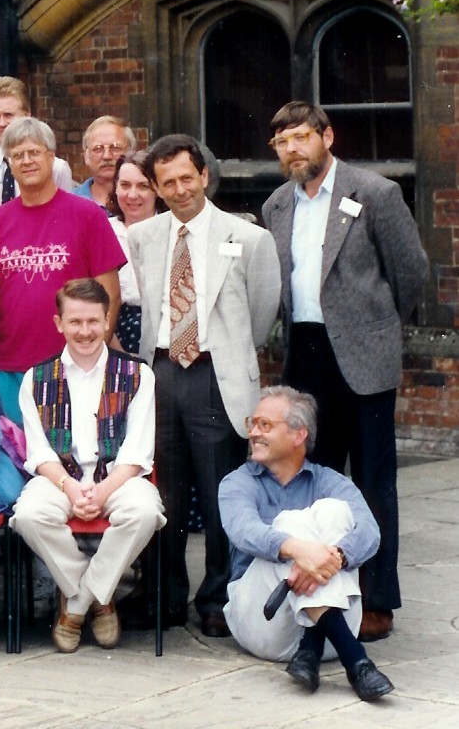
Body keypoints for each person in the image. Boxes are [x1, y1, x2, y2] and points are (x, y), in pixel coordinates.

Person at [260, 101, 427, 643]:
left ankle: (377, 599)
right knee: (313, 478)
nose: (292, 150)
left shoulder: (375, 193)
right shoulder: (277, 204)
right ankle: (326, 594)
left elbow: (410, 273)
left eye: (302, 137)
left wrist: (376, 326)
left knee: (373, 482)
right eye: (282, 142)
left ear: (327, 137)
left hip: (363, 354)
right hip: (305, 352)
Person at [126, 133, 279, 637]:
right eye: (167, 182)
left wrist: (227, 354)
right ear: (156, 187)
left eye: (187, 178)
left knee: (219, 493)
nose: (180, 189)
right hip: (162, 371)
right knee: (163, 492)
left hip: (216, 374)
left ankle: (217, 597)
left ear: (204, 176)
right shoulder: (143, 237)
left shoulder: (247, 237)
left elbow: (262, 314)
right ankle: (165, 597)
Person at [11, 279, 164, 653]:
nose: (85, 331)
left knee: (145, 512)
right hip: (60, 478)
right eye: (75, 322)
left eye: (93, 321)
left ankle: (77, 603)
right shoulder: (36, 378)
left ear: (107, 320)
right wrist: (71, 488)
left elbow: (137, 452)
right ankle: (102, 599)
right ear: (59, 323)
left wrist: (102, 491)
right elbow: (40, 454)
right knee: (28, 516)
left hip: (119, 478)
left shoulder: (138, 374)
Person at [219, 387, 394, 701]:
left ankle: (310, 649)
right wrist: (300, 550)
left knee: (335, 511)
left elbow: (370, 532)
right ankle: (356, 660)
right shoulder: (237, 482)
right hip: (265, 622)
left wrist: (336, 556)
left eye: (265, 425)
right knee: (290, 523)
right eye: (253, 423)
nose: (254, 433)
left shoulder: (331, 482)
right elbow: (244, 530)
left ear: (299, 434)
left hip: (329, 641)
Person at [0, 117, 124, 420]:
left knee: (69, 445)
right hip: (6, 366)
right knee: (14, 446)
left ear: (52, 157)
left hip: (73, 363)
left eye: (34, 152)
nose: (27, 161)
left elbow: (111, 294)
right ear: (9, 164)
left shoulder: (88, 215)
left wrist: (92, 354)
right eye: (18, 155)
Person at [0, 77, 75, 214]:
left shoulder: (55, 167)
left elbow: (65, 214)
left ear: (27, 114)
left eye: (8, 115)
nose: (2, 123)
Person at [105, 151, 163, 353]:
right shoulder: (103, 231)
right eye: (125, 185)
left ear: (157, 189)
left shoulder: (172, 230)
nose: (132, 195)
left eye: (143, 186)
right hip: (111, 331)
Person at [72, 116, 136, 208]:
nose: (107, 156)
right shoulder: (69, 204)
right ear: (86, 156)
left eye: (115, 148)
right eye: (98, 149)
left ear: (131, 152)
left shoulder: (144, 202)